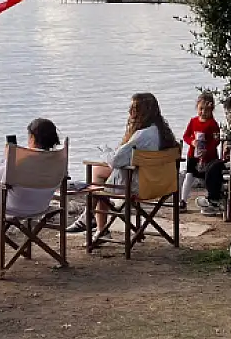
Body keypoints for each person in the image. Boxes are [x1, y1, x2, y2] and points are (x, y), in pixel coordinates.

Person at [72, 93, 177, 234]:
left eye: (133, 108)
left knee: (98, 184)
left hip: (140, 186)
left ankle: (95, 223)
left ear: (142, 112)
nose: (129, 111)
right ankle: (91, 220)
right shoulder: (162, 133)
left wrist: (105, 151)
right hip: (161, 184)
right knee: (99, 173)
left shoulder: (141, 135)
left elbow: (115, 160)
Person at [0, 118, 62, 217]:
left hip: (13, 207)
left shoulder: (21, 159)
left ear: (32, 137)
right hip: (40, 206)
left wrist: (6, 160)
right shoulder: (58, 159)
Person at [182, 92, 226, 215]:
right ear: (197, 107)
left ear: (211, 110)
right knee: (189, 176)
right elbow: (186, 136)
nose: (203, 112)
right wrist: (192, 142)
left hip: (209, 157)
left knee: (209, 178)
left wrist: (208, 149)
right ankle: (183, 200)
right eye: (201, 109)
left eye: (206, 110)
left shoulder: (213, 124)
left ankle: (211, 200)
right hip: (193, 155)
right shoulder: (193, 121)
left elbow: (216, 140)